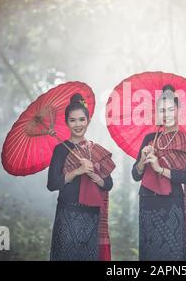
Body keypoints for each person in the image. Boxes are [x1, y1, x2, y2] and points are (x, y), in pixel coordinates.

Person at [132, 84, 186, 261]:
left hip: (172, 203)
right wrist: (143, 160)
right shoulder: (150, 138)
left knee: (172, 254)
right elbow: (135, 175)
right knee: (150, 253)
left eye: (171, 110)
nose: (167, 115)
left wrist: (159, 169)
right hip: (147, 202)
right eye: (162, 110)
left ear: (179, 111)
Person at [47, 93, 115, 261]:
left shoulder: (95, 149)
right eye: (73, 120)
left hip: (91, 215)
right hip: (67, 212)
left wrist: (95, 176)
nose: (78, 124)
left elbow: (109, 183)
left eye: (81, 120)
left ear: (88, 121)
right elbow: (52, 184)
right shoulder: (61, 149)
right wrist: (77, 171)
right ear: (67, 123)